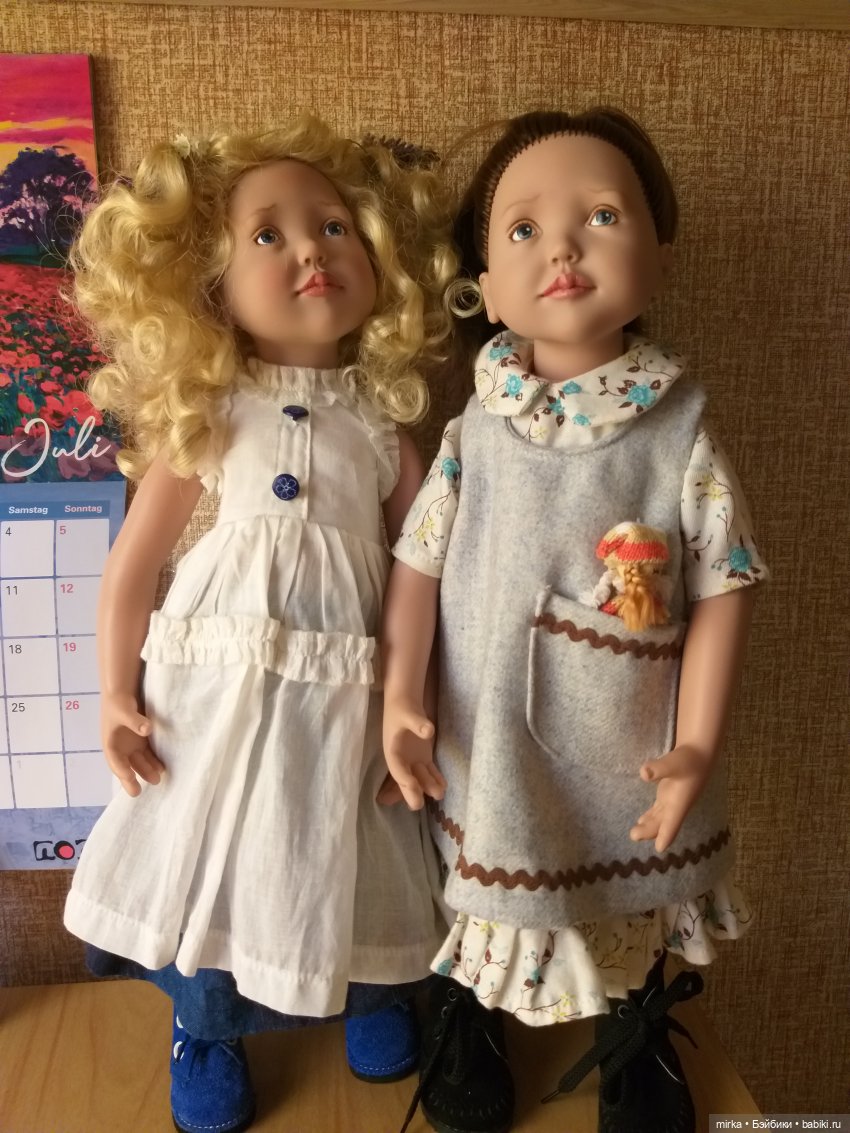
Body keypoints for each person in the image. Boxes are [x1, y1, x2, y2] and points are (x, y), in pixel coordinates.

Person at [63, 116, 456, 1133]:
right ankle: (208, 1022)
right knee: (221, 839)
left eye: (334, 226)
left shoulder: (382, 425)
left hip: (351, 687)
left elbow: (426, 572)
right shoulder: (213, 412)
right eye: (269, 235)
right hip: (214, 686)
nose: (311, 250)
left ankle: (375, 985)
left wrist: (413, 699)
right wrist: (114, 694)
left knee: (352, 828)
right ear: (210, 286)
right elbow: (135, 565)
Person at [382, 108, 769, 1133]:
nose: (561, 248)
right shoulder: (473, 428)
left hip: (633, 732)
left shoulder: (676, 427)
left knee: (632, 884)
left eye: (600, 216)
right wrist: (398, 695)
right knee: (486, 863)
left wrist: (698, 740)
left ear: (660, 254)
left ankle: (634, 1025)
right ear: (483, 282)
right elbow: (417, 561)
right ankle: (471, 1009)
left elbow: (724, 583)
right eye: (523, 229)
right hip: (484, 725)